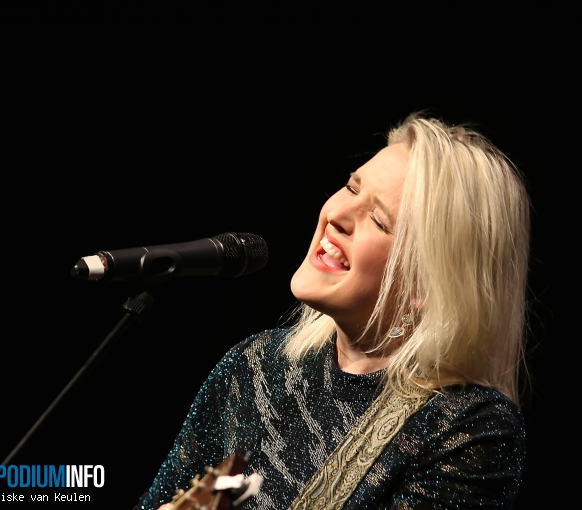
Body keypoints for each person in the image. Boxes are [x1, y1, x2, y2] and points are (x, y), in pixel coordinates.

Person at [134, 112, 532, 510]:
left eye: (378, 219)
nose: (338, 216)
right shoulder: (255, 367)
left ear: (428, 286)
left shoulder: (466, 429)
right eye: (350, 187)